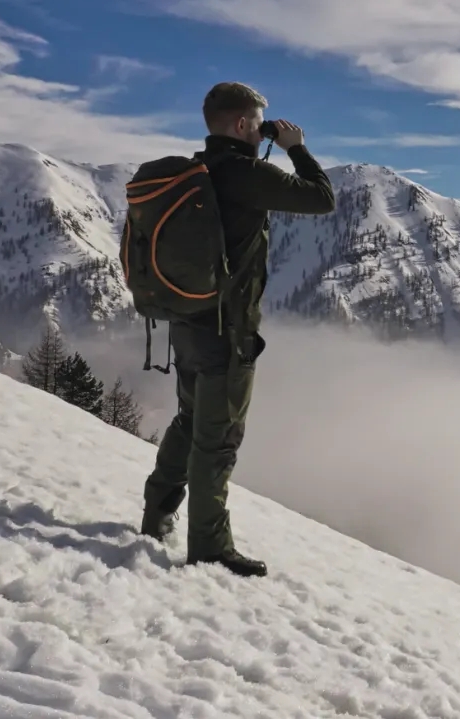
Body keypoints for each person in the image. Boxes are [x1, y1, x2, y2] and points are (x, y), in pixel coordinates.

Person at [139, 81, 336, 576]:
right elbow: (322, 198)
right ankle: (209, 546)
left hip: (185, 322)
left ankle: (156, 514)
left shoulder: (198, 171)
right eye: (256, 122)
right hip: (227, 331)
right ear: (244, 124)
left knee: (189, 421)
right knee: (219, 438)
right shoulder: (246, 175)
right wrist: (297, 149)